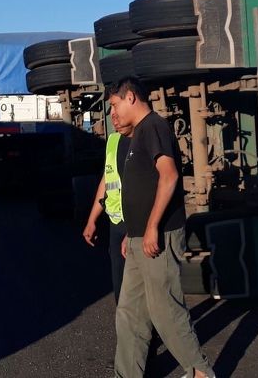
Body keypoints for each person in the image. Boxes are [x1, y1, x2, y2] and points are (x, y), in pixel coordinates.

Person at [108, 77, 215, 378]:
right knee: (129, 315)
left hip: (159, 236)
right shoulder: (136, 134)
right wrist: (132, 233)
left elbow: (168, 177)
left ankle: (200, 373)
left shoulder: (153, 126)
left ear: (131, 97)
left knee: (165, 311)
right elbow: (141, 187)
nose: (113, 114)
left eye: (115, 105)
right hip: (139, 239)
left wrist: (152, 227)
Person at [83, 110, 134, 304]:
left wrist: (134, 230)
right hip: (116, 223)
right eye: (111, 112)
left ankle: (149, 332)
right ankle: (129, 330)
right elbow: (107, 180)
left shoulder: (142, 142)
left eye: (117, 111)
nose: (114, 117)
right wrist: (92, 220)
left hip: (137, 224)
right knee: (120, 286)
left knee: (142, 288)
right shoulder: (113, 141)